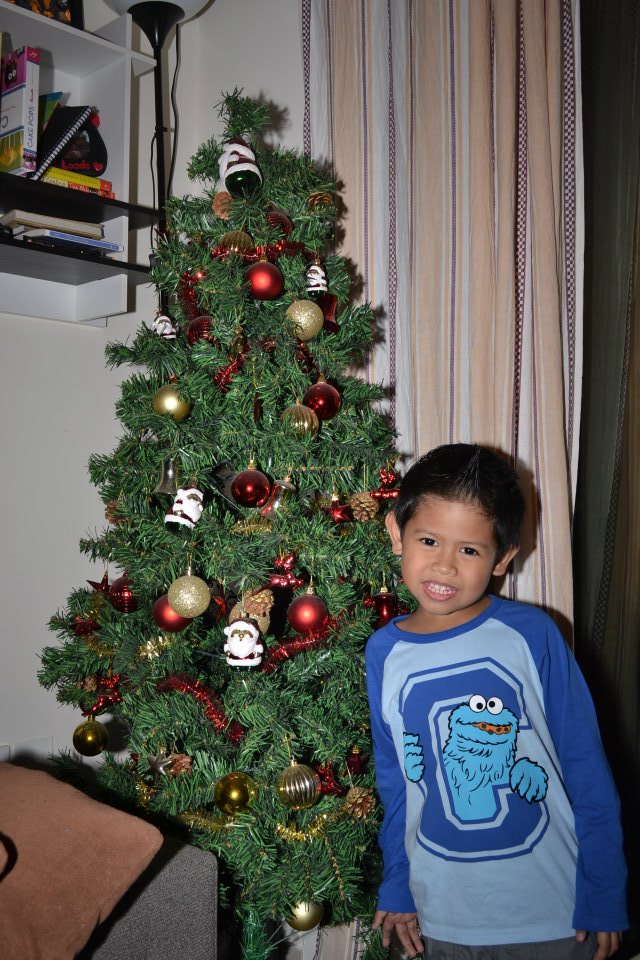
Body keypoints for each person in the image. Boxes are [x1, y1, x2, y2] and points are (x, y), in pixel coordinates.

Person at [365, 443, 627, 960]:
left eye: (469, 550)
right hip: (441, 916)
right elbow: (396, 782)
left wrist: (603, 891)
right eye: (429, 540)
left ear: (503, 558)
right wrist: (398, 884)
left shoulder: (531, 633)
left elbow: (585, 766)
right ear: (397, 532)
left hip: (553, 914)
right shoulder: (384, 652)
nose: (444, 566)